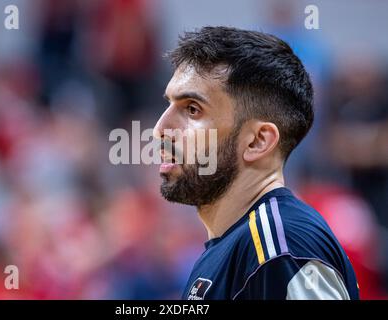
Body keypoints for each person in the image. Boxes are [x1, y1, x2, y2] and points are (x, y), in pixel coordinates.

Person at [153, 26, 359, 300]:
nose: (160, 129)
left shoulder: (278, 248)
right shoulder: (239, 245)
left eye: (192, 109)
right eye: (168, 105)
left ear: (257, 141)